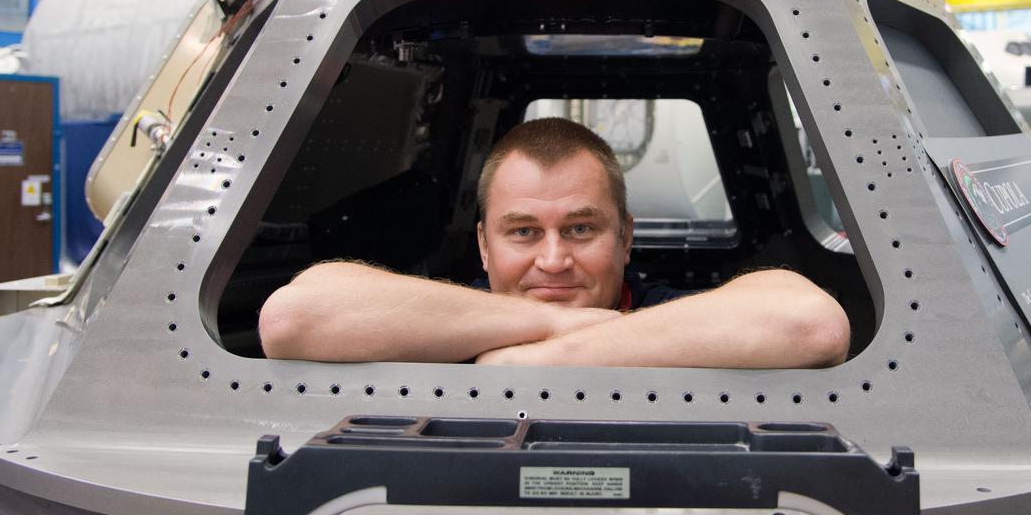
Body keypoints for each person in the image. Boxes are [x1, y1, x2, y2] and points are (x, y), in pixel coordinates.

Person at [259, 118, 850, 368]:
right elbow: (291, 318)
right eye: (522, 232)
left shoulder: (667, 312)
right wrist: (568, 325)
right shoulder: (430, 317)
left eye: (581, 228)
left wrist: (546, 356)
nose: (553, 260)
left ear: (626, 240)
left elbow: (811, 325)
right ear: (484, 247)